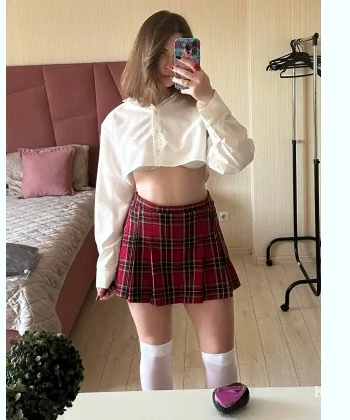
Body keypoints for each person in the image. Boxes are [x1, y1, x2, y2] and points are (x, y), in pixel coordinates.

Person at [94, 10, 255, 391]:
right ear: (146, 56)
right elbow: (111, 198)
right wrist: (106, 267)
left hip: (198, 230)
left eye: (178, 54)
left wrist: (209, 98)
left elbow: (238, 158)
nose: (171, 65)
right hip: (144, 236)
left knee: (220, 357)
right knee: (155, 353)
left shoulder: (202, 109)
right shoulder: (118, 121)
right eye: (162, 55)